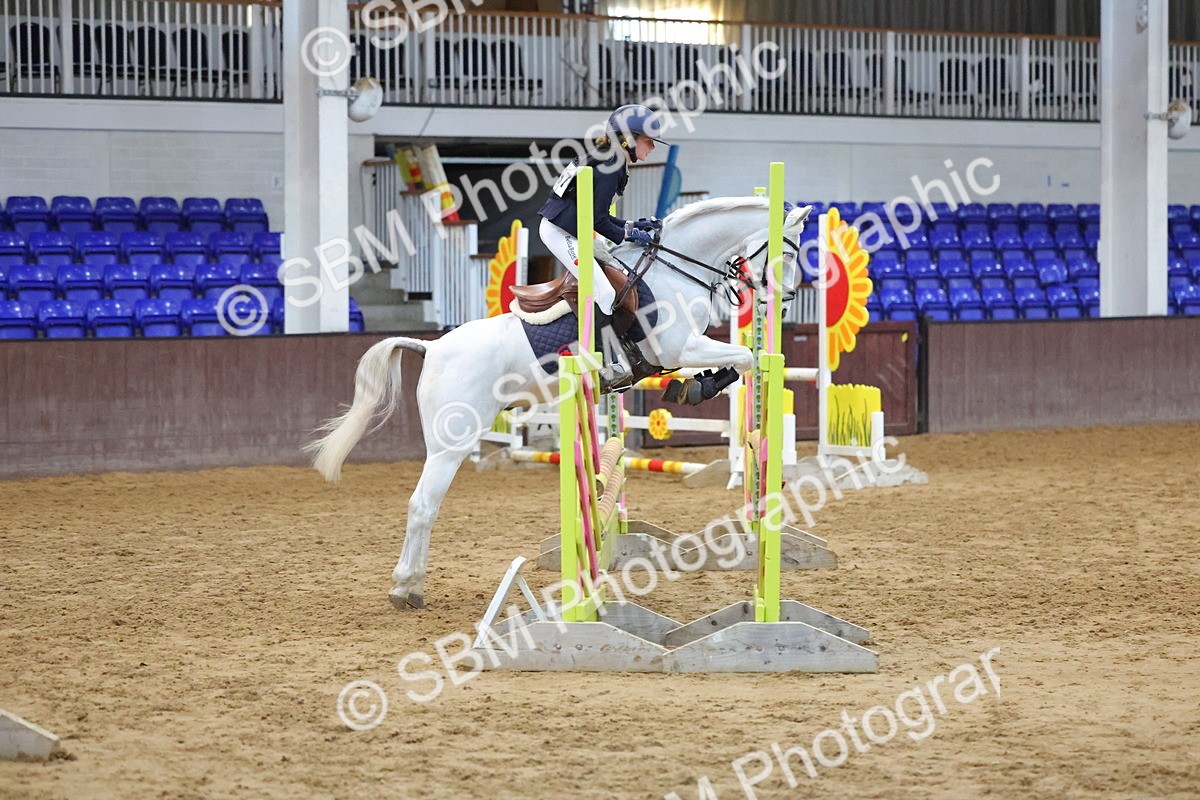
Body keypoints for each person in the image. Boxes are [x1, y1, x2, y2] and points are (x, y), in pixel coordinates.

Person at [537, 104, 668, 385]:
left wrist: (631, 226)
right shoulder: (611, 166)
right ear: (628, 139)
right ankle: (605, 365)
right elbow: (598, 221)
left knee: (614, 282)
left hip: (576, 229)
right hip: (561, 232)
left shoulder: (609, 159)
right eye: (648, 141)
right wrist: (630, 234)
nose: (652, 148)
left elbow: (600, 217)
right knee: (605, 292)